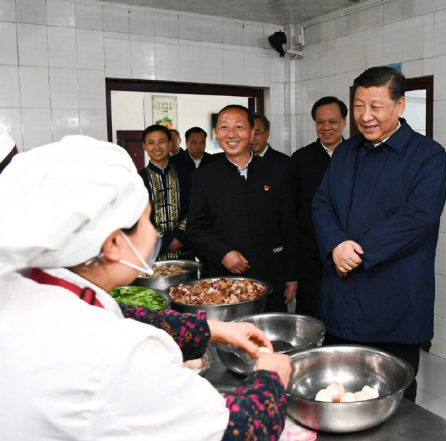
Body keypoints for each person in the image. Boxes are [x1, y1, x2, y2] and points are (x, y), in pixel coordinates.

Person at [0, 135, 291, 440]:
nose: (153, 232)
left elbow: (121, 313)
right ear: (113, 242)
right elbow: (238, 431)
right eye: (147, 220)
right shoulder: (119, 356)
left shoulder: (26, 285)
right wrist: (270, 377)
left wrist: (212, 329)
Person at [312, 67, 446, 402]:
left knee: (391, 396)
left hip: (394, 300)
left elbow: (419, 217)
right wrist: (336, 245)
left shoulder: (427, 155)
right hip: (342, 297)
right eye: (359, 106)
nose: (365, 116)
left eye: (375, 106)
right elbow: (322, 201)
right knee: (338, 391)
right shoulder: (346, 152)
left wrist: (357, 252)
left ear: (400, 105)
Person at [187, 105, 299, 313]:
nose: (231, 134)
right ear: (217, 133)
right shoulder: (204, 177)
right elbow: (195, 228)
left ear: (252, 132)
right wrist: (223, 254)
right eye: (224, 127)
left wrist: (292, 276)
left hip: (271, 276)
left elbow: (289, 225)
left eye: (239, 127)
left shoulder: (278, 171)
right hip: (224, 281)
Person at [290, 97, 347, 318]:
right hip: (310, 252)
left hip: (349, 250)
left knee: (344, 310)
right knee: (311, 309)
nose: (326, 127)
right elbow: (292, 208)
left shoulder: (358, 154)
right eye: (320, 122)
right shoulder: (301, 159)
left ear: (344, 122)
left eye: (332, 122)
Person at [139, 124, 195, 261]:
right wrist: (165, 241)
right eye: (151, 143)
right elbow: (138, 216)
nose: (157, 147)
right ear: (144, 146)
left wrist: (179, 236)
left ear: (170, 144)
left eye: (161, 141)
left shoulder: (185, 175)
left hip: (184, 249)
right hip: (152, 253)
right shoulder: (137, 180)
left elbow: (193, 208)